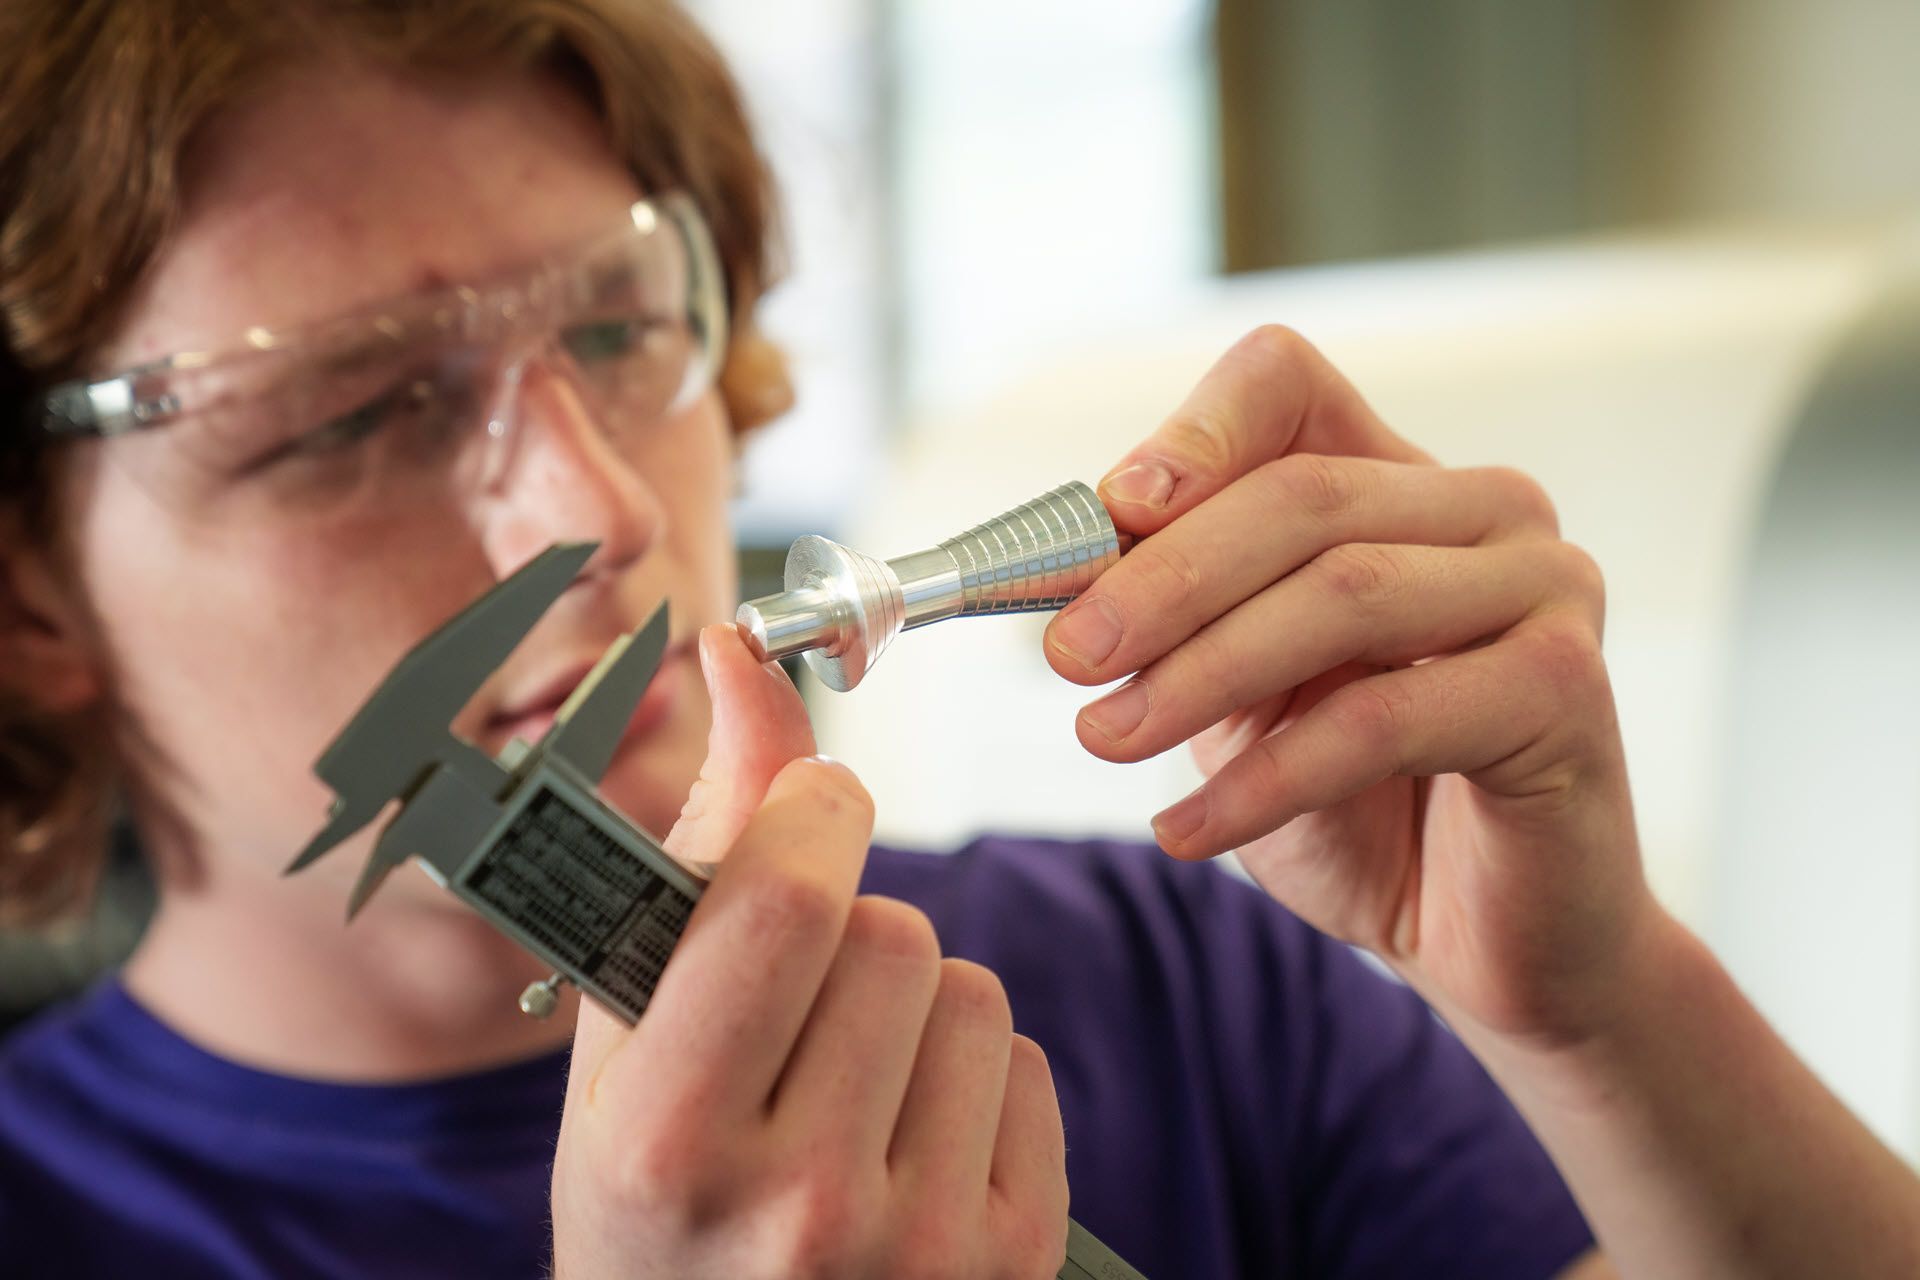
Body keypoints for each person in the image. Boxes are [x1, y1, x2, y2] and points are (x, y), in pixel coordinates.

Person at [0, 3, 1913, 1279]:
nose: (593, 514)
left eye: (616, 328)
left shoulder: (1180, 990)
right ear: (31, 585)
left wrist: (1602, 1018)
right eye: (351, 415)